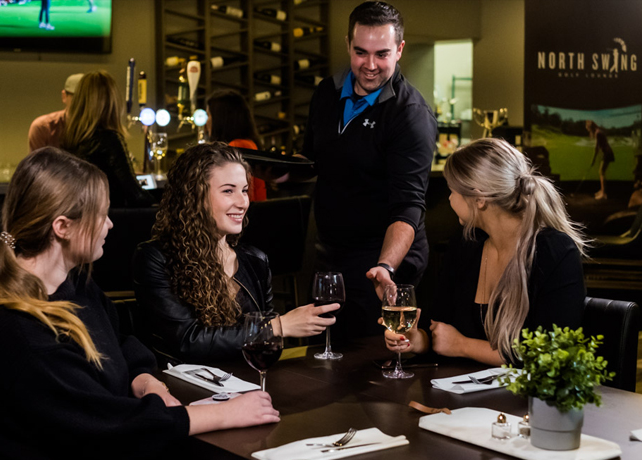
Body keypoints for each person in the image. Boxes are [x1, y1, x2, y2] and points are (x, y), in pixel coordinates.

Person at [0, 147, 279, 458]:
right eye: (102, 214)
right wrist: (221, 414)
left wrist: (144, 380)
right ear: (63, 227)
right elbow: (104, 429)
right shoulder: (21, 331)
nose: (110, 224)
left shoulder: (75, 284)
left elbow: (119, 342)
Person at [383, 138, 588, 365]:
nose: (449, 199)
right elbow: (439, 330)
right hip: (456, 395)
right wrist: (418, 340)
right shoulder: (465, 246)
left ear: (479, 199)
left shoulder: (555, 251)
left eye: (452, 191)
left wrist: (463, 346)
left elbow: (552, 357)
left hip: (525, 399)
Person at [301, 1, 437, 339]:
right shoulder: (326, 94)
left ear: (400, 50)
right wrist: (279, 173)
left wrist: (385, 266)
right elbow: (312, 162)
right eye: (361, 52)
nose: (371, 66)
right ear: (348, 44)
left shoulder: (410, 115)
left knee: (371, 361)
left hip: (384, 259)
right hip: (331, 253)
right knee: (324, 352)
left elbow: (408, 206)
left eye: (382, 54)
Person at [133, 142, 339, 365]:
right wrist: (278, 326)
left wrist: (274, 332)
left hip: (246, 383)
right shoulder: (156, 258)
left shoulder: (255, 260)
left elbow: (266, 348)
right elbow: (187, 342)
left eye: (244, 191)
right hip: (186, 388)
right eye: (228, 191)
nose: (242, 202)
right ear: (193, 196)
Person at [63, 70, 154, 208]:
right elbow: (135, 195)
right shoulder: (109, 140)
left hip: (83, 221)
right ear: (112, 103)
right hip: (110, 222)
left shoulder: (69, 139)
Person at [205, 89, 267, 201]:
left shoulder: (238, 146)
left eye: (209, 115)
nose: (206, 122)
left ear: (221, 119)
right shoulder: (245, 143)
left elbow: (238, 199)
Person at [28, 73, 83, 152]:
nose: (83, 102)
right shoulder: (44, 127)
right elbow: (37, 163)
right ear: (64, 96)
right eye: (77, 97)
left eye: (88, 98)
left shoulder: (99, 128)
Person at [586, 120, 614, 200]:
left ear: (590, 127)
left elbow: (596, 148)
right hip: (606, 153)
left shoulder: (598, 133)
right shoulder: (598, 132)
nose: (587, 129)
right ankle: (602, 191)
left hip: (607, 153)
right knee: (601, 172)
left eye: (587, 128)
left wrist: (593, 160)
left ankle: (604, 194)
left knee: (601, 172)